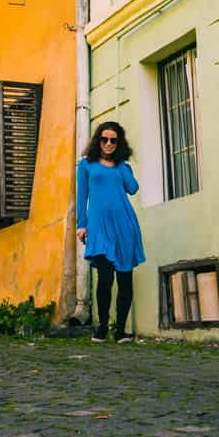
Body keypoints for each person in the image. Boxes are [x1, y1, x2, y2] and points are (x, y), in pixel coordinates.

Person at [76, 121, 145, 342]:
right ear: (98, 140)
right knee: (104, 279)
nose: (108, 143)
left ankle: (120, 331)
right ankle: (102, 327)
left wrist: (124, 168)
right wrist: (81, 224)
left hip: (124, 226)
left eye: (113, 140)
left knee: (125, 280)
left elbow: (133, 189)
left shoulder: (122, 167)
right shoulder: (86, 165)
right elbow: (81, 196)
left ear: (119, 142)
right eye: (104, 139)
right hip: (99, 227)